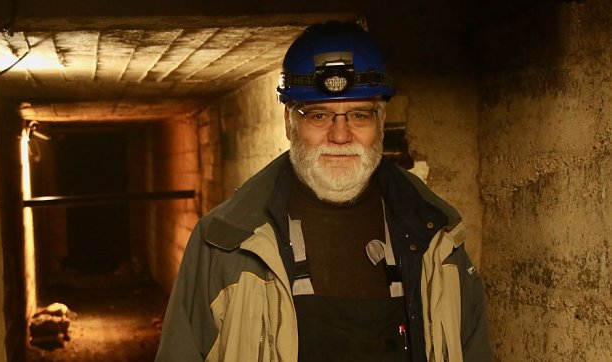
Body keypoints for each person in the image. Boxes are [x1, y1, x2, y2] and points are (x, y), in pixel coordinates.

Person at [155, 21, 492, 362]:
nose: (341, 135)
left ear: (381, 120)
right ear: (290, 123)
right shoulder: (225, 243)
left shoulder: (438, 238)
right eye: (319, 116)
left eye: (359, 115)